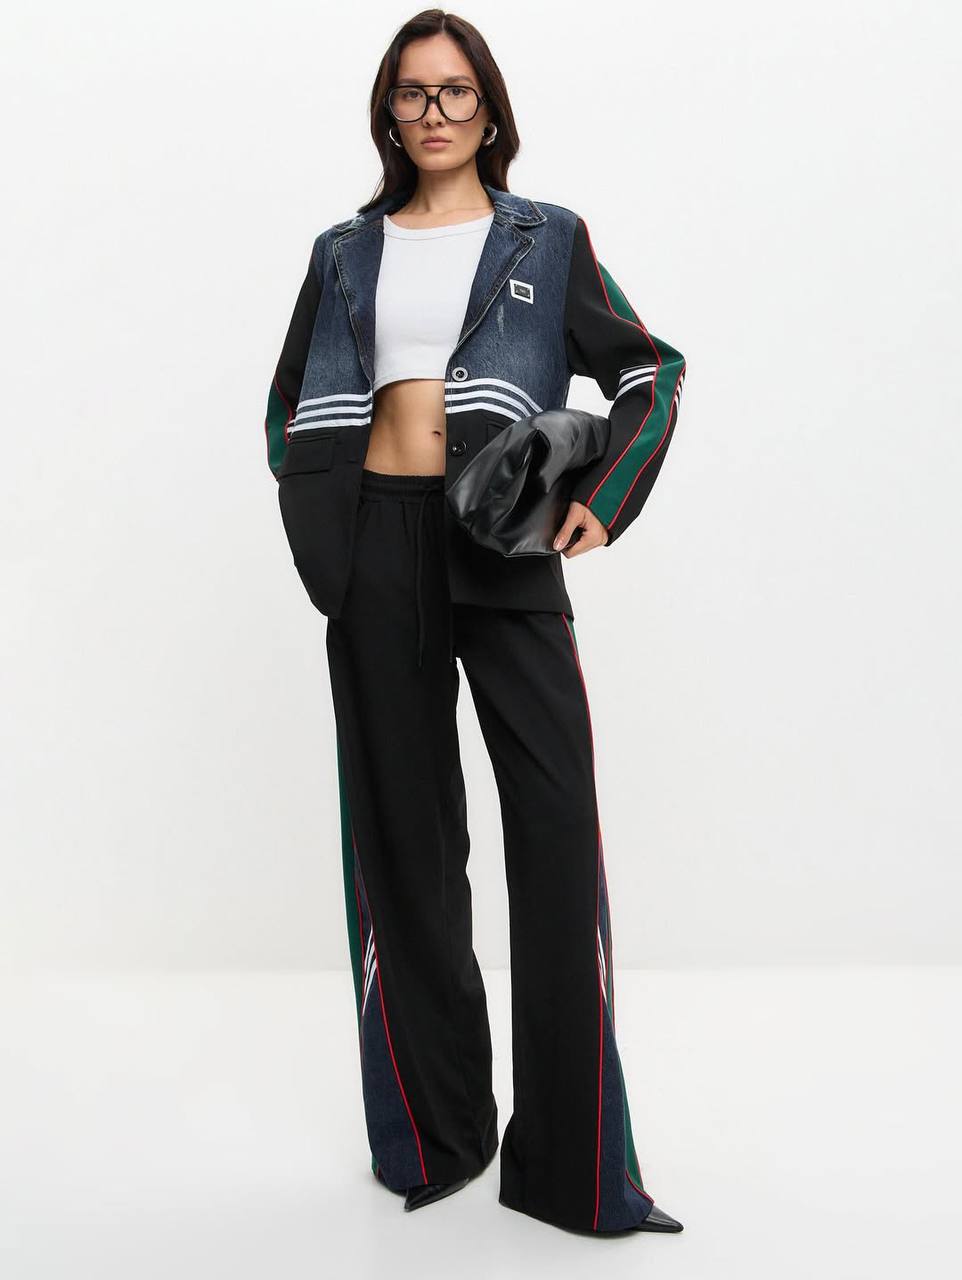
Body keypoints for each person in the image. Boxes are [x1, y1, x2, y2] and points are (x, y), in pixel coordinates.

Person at [264, 8, 687, 1236]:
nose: (434, 112)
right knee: (402, 842)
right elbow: (288, 403)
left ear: (488, 110)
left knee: (552, 830)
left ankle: (573, 1168)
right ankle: (436, 1134)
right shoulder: (343, 252)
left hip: (500, 541)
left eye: (455, 91)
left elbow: (650, 370)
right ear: (388, 114)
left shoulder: (547, 237)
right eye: (412, 93)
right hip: (377, 549)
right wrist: (325, 526)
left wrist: (599, 493)